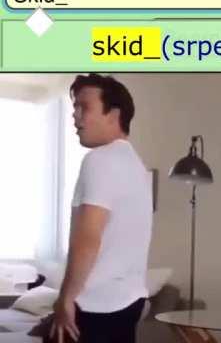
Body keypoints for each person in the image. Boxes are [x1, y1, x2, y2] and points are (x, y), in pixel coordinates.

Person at [50, 74, 153, 343]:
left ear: (113, 115)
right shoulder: (137, 167)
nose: (75, 115)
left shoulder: (100, 160)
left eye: (84, 107)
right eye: (74, 107)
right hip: (128, 303)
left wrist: (65, 298)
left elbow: (88, 239)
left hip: (94, 307)